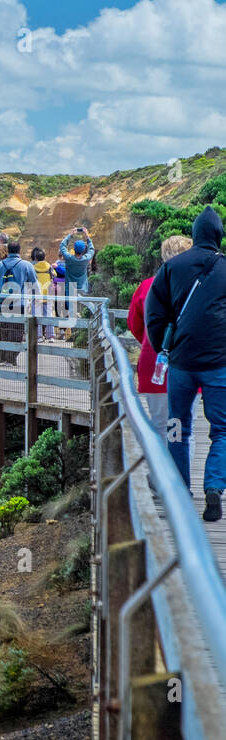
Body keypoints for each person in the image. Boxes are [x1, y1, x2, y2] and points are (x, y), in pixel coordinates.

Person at [144, 206, 226, 521]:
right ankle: (215, 487)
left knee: (178, 425)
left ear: (194, 234)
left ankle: (179, 491)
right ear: (218, 235)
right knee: (222, 429)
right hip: (219, 363)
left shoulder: (171, 267)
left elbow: (154, 311)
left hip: (180, 364)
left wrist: (165, 345)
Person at [128, 235, 194, 451]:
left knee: (159, 425)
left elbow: (134, 324)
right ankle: (180, 480)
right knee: (182, 429)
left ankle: (159, 479)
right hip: (187, 364)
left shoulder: (147, 285)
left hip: (153, 362)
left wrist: (151, 343)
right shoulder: (198, 287)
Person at [0, 240, 39, 365]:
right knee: (17, 331)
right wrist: (36, 298)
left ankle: (6, 357)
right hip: (20, 303)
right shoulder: (26, 265)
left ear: (8, 251)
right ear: (19, 251)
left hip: (4, 303)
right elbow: (34, 283)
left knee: (5, 330)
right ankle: (11, 358)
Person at [58, 226, 95, 317]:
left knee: (72, 311)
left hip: (70, 288)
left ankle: (74, 326)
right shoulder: (86, 259)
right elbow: (91, 249)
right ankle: (93, 313)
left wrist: (70, 235)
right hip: (82, 287)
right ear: (83, 250)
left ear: (74, 249)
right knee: (84, 306)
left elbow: (62, 246)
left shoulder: (69, 258)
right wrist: (87, 236)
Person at [31, 247, 55, 341]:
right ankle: (51, 336)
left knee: (37, 315)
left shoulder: (33, 268)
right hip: (48, 294)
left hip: (37, 295)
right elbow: (54, 275)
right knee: (48, 315)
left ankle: (39, 336)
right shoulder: (49, 266)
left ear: (35, 258)